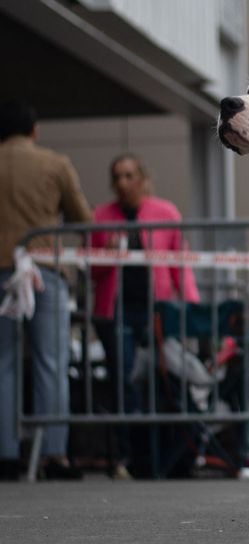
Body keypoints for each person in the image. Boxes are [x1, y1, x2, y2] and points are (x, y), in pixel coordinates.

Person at [90, 153, 199, 478]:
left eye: (128, 175)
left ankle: (164, 453)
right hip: (117, 310)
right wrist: (107, 255)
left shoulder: (165, 213)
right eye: (117, 176)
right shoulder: (100, 217)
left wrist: (192, 306)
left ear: (141, 178)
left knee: (164, 379)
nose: (123, 182)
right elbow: (92, 271)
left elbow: (180, 264)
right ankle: (127, 455)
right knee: (124, 381)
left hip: (157, 309)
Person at [0, 100, 92, 481]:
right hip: (43, 269)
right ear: (34, 130)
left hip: (1, 270)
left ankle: (5, 454)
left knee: (2, 363)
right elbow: (82, 219)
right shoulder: (54, 164)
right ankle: (53, 454)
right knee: (50, 363)